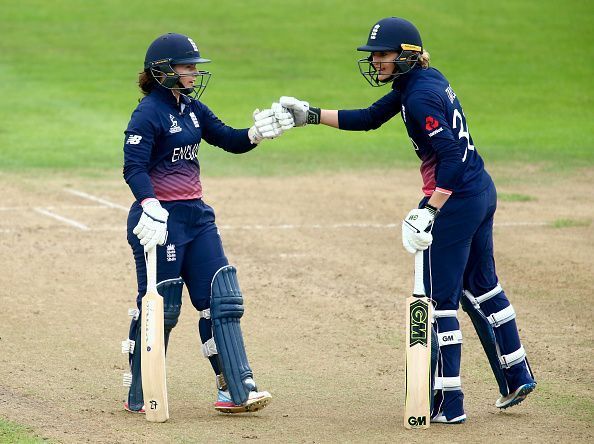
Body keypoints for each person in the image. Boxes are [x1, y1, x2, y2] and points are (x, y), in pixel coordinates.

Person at [278, 17, 536, 424]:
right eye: (374, 55)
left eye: (382, 54)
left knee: (439, 301)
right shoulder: (419, 82)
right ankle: (517, 374)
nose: (375, 61)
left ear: (406, 55)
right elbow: (368, 117)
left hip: (457, 198)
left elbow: (449, 157)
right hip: (479, 188)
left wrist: (430, 209)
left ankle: (446, 404)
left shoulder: (419, 98)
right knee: (483, 287)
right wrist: (309, 115)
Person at [121, 32, 293, 415]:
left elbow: (230, 139)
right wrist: (150, 204)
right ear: (163, 70)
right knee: (162, 307)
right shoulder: (148, 113)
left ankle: (235, 387)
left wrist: (257, 133)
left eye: (194, 67)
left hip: (197, 218)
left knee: (222, 299)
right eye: (187, 66)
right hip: (160, 221)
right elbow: (133, 167)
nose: (194, 73)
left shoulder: (192, 108)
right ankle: (140, 385)